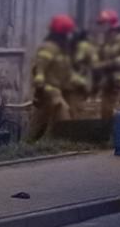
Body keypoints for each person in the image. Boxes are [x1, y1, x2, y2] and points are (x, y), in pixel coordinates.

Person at [26, 14, 89, 143]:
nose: (69, 36)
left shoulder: (62, 50)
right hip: (48, 89)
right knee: (62, 108)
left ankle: (29, 143)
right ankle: (66, 141)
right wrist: (40, 86)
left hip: (60, 88)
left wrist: (81, 83)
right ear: (61, 33)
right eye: (67, 33)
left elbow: (67, 73)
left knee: (39, 122)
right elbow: (40, 68)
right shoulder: (49, 47)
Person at [92, 10, 120, 135]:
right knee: (106, 110)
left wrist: (112, 63)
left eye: (103, 23)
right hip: (108, 82)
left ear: (111, 24)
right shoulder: (106, 40)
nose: (100, 27)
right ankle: (107, 136)